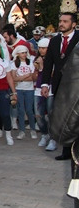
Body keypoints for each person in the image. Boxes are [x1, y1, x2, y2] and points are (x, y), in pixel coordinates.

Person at [42, 13, 79, 160]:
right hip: (59, 85)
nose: (61, 24)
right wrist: (45, 83)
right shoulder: (55, 40)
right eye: (60, 21)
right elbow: (48, 64)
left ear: (74, 24)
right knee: (64, 117)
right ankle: (66, 151)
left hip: (76, 85)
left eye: (65, 21)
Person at [34, 38, 56, 151]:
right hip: (38, 89)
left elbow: (54, 74)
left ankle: (53, 138)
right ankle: (44, 134)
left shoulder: (54, 59)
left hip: (51, 89)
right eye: (41, 48)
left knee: (51, 115)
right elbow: (33, 77)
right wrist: (38, 68)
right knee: (38, 115)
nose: (42, 50)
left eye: (45, 48)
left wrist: (44, 67)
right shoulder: (37, 59)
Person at [11, 45, 37, 140]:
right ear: (18, 54)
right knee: (20, 110)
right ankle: (21, 131)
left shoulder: (31, 62)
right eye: (22, 53)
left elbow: (33, 78)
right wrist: (26, 76)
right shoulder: (14, 63)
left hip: (29, 90)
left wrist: (20, 79)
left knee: (29, 110)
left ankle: (33, 129)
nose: (24, 54)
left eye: (26, 52)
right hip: (19, 90)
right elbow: (14, 78)